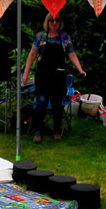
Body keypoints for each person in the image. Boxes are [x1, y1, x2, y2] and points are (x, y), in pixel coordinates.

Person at [22, 12, 86, 142]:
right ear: (47, 22)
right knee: (41, 103)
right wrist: (26, 73)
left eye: (57, 20)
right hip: (42, 75)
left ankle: (57, 130)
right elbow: (32, 54)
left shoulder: (64, 37)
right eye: (51, 20)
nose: (54, 23)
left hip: (58, 75)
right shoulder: (41, 36)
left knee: (57, 104)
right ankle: (38, 131)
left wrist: (80, 69)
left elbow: (72, 54)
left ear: (60, 22)